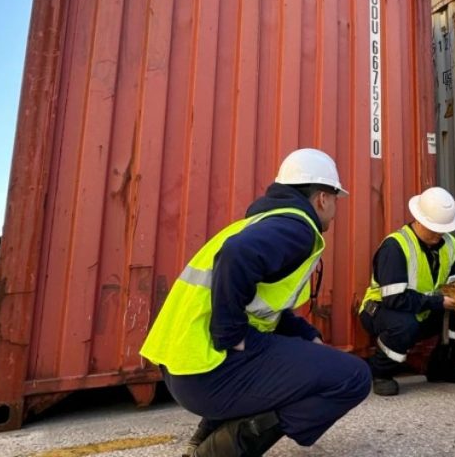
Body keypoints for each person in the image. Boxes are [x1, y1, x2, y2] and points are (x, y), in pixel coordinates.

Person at [140, 148, 371, 457]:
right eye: (335, 199)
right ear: (322, 198)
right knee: (353, 377)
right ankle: (218, 452)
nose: (334, 208)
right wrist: (231, 336)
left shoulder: (261, 223)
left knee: (299, 355)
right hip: (209, 372)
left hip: (185, 367)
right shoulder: (297, 228)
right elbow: (238, 256)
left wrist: (303, 333)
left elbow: (260, 303)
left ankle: (210, 433)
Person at [358, 186, 455, 396]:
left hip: (423, 307)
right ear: (418, 220)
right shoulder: (395, 247)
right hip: (380, 310)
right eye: (433, 228)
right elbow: (394, 299)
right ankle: (381, 373)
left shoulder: (448, 243)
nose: (438, 234)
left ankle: (442, 368)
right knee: (404, 325)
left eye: (442, 229)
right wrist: (438, 302)